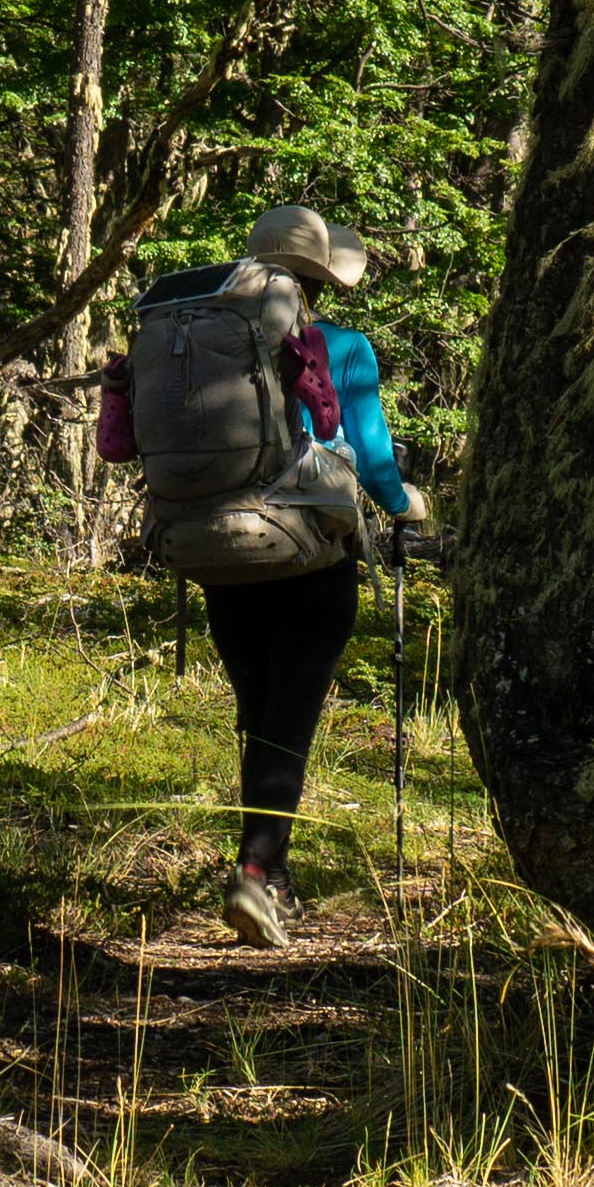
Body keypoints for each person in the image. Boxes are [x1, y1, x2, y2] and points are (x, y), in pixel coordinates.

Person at [127, 201, 421, 949]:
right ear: (320, 277)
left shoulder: (203, 338)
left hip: (218, 553)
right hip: (306, 558)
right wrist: (407, 505)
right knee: (289, 721)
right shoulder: (343, 345)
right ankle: (256, 876)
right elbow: (374, 459)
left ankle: (273, 875)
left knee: (260, 715)